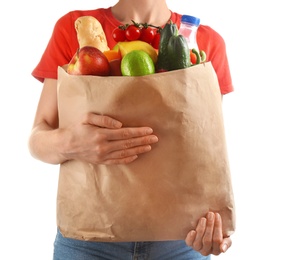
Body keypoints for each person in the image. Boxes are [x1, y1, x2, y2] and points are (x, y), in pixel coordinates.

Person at [29, 0, 234, 259]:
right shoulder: (75, 28)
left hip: (182, 241)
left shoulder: (204, 41)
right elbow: (37, 138)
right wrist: (72, 142)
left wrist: (219, 230)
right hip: (89, 240)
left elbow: (204, 151)